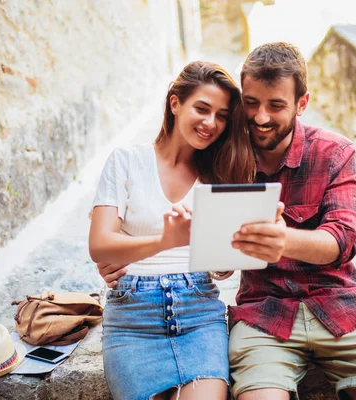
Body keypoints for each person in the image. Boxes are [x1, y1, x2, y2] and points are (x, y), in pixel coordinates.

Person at [227, 42, 356, 400]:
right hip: (262, 316)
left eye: (276, 105)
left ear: (302, 103)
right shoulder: (228, 156)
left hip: (340, 305)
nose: (261, 117)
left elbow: (343, 241)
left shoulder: (334, 152)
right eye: (251, 103)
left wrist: (283, 240)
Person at [88, 61, 255, 400]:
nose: (211, 123)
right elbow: (101, 245)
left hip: (199, 314)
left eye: (222, 116)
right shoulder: (127, 161)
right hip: (133, 317)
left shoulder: (219, 174)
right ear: (175, 103)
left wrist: (225, 255)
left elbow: (221, 269)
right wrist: (166, 241)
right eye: (202, 109)